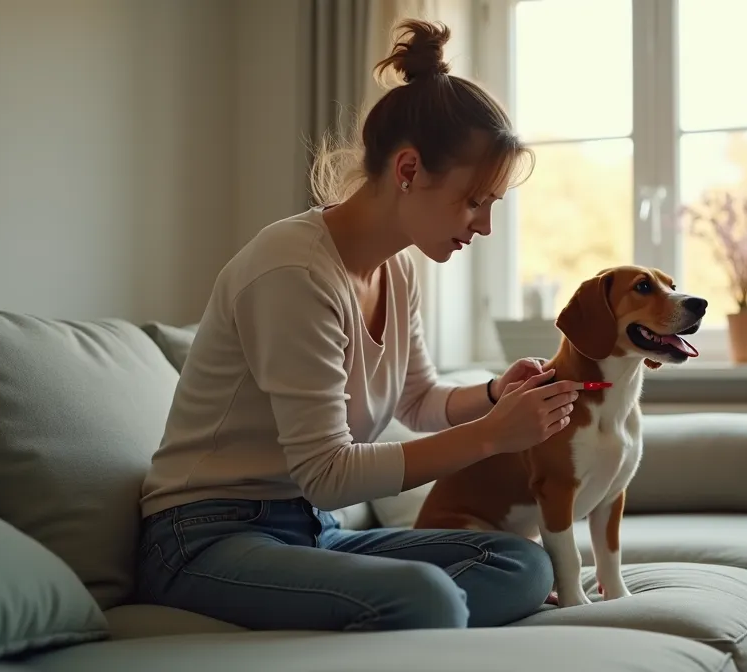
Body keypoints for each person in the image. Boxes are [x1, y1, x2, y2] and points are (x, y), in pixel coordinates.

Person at [133, 18, 583, 632]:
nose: (483, 227)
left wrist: (493, 396)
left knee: (522, 566)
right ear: (407, 170)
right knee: (427, 597)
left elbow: (419, 400)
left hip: (310, 532)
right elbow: (326, 475)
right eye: (474, 201)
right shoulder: (291, 270)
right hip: (205, 538)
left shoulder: (397, 272)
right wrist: (490, 436)